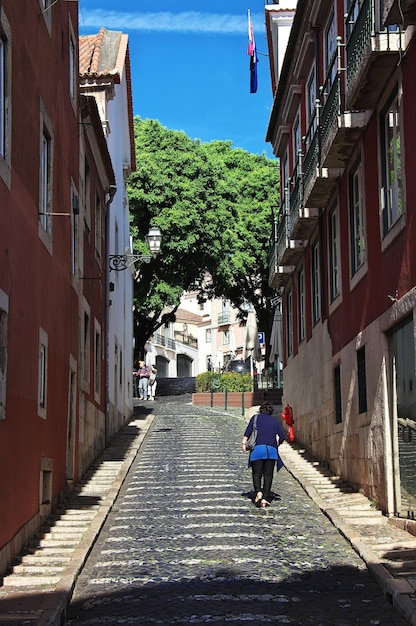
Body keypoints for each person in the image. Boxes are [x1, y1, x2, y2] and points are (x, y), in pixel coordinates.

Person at [241, 401, 286, 507]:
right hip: (271, 451)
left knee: (257, 473)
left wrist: (243, 444)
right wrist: (277, 445)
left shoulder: (255, 418)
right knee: (268, 475)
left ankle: (258, 491)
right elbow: (283, 436)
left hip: (258, 450)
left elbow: (248, 432)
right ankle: (265, 498)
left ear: (260, 410)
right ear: (271, 412)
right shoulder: (274, 421)